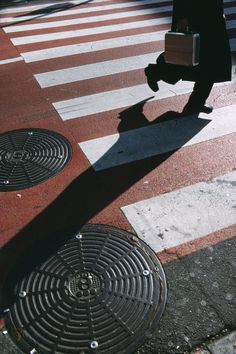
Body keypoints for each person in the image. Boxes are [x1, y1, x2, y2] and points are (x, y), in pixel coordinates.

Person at [145, 0, 232, 114]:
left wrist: (219, 11)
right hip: (194, 15)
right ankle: (156, 72)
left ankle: (196, 103)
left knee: (212, 62)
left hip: (213, 16)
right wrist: (182, 16)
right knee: (185, 57)